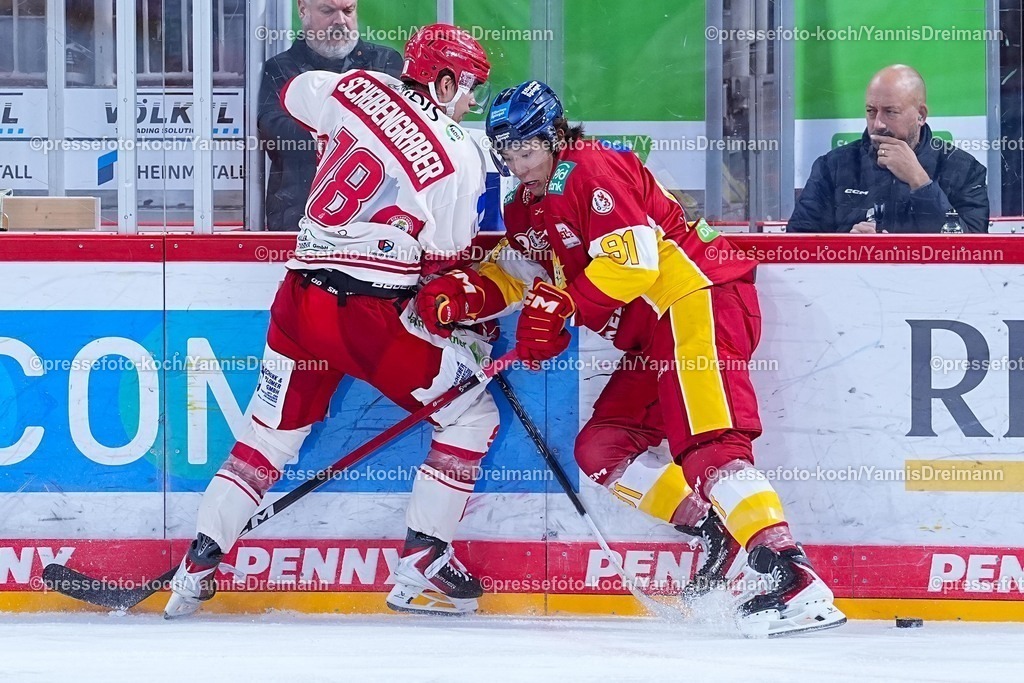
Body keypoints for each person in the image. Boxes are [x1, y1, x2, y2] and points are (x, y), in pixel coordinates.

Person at [415, 80, 846, 637]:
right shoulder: (525, 205)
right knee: (602, 448)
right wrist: (468, 294)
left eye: (526, 151)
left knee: (711, 445)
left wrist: (567, 305)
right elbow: (519, 270)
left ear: (554, 137)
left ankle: (792, 575)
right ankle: (715, 529)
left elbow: (636, 261)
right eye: (508, 154)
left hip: (697, 301)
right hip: (652, 339)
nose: (518, 166)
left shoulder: (591, 167)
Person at [166, 24, 495, 618]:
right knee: (471, 414)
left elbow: (291, 95)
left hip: (298, 298)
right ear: (445, 82)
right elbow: (447, 254)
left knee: (265, 438)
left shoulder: (356, 84)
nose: (471, 101)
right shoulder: (460, 151)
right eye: (469, 86)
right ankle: (421, 562)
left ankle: (196, 567)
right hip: (367, 315)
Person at [787, 64, 989, 234]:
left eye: (890, 112)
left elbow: (974, 251)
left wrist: (920, 182)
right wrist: (848, 247)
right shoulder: (832, 166)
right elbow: (798, 245)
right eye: (871, 111)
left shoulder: (964, 169)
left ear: (921, 115)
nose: (878, 124)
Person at [258, 0, 404, 231]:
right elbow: (278, 134)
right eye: (327, 11)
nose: (340, 21)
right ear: (302, 9)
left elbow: (400, 133)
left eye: (348, 10)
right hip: (299, 221)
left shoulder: (385, 62)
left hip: (375, 222)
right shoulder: (279, 68)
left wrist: (321, 119)